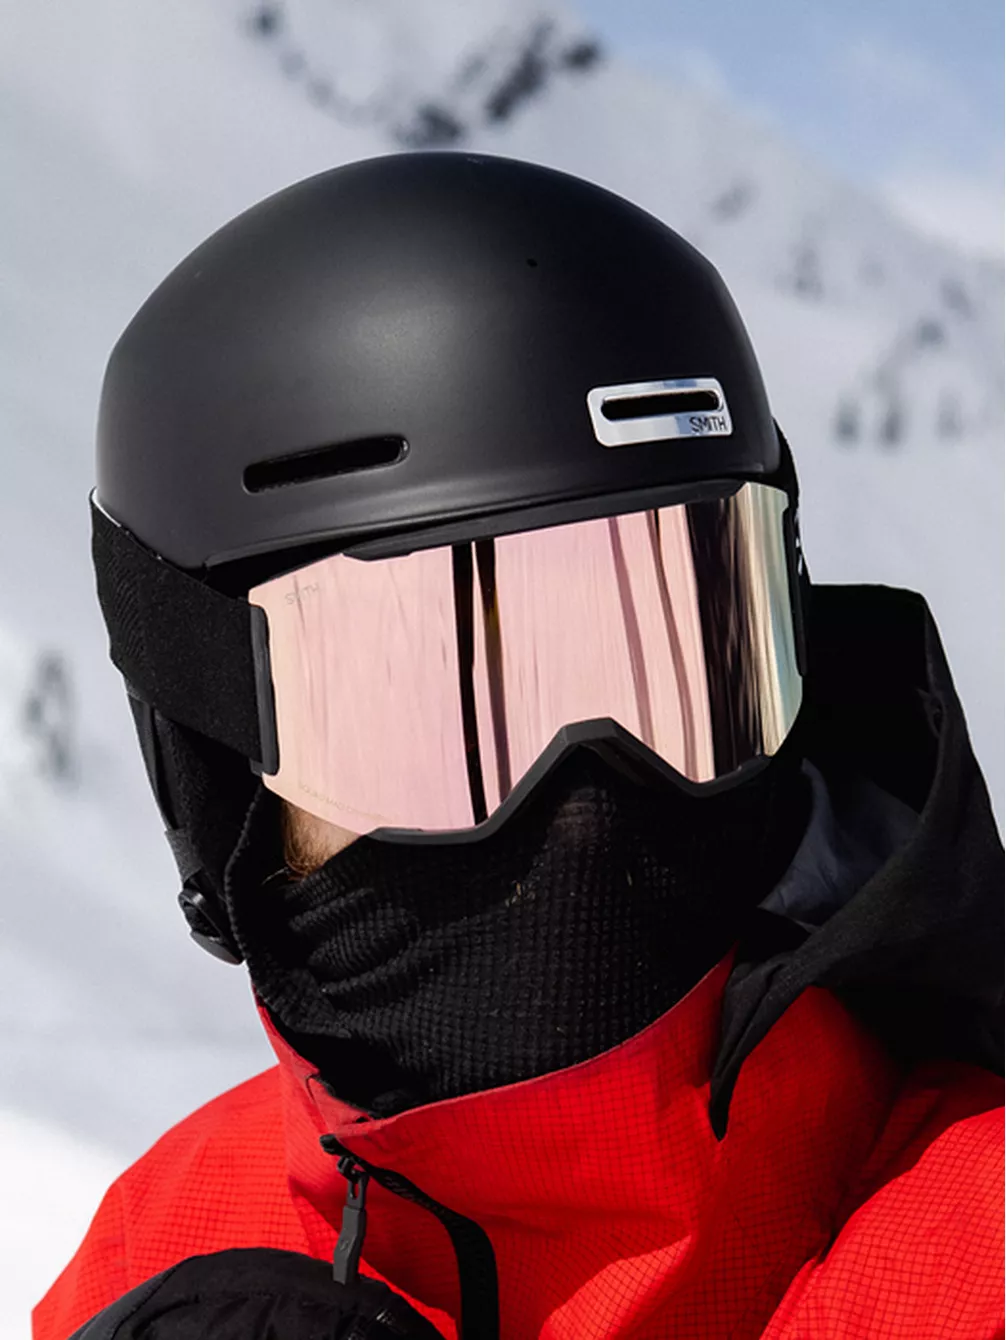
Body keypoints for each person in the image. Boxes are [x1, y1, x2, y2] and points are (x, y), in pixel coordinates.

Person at [35, 153, 1003, 1340]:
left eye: (659, 659)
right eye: (429, 698)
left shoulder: (975, 1251)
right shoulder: (162, 1243)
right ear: (217, 766)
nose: (583, 799)